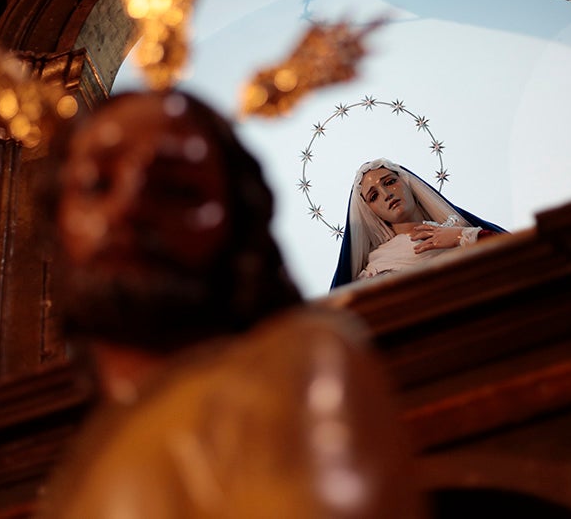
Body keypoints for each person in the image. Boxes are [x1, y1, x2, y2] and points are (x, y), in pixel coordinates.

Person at [36, 91, 423, 518]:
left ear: (236, 223)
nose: (127, 207)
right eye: (96, 183)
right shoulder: (82, 451)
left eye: (178, 188)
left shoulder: (295, 370)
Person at [331, 158, 507, 288]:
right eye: (374, 196)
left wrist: (463, 236)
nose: (386, 194)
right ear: (372, 212)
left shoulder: (460, 232)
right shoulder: (380, 264)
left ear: (408, 184)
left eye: (390, 182)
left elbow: (513, 255)